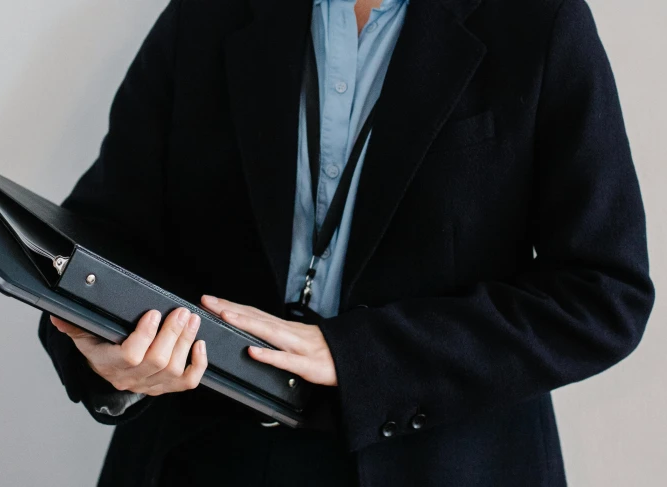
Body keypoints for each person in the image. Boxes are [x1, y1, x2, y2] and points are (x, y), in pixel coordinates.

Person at [39, 0, 655, 485]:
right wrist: (107, 360)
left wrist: (361, 356)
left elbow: (604, 294)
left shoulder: (540, 19)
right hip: (199, 451)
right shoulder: (207, 12)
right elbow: (99, 237)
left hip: (440, 461)